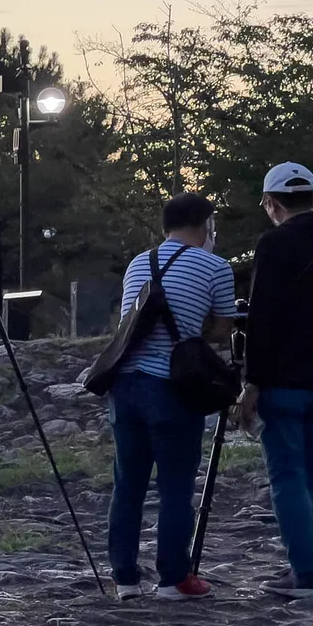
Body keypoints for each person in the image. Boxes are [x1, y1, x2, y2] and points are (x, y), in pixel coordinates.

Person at [109, 193, 237, 602]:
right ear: (205, 225)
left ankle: (125, 578)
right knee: (176, 486)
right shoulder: (216, 266)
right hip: (172, 386)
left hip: (125, 383)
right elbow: (220, 330)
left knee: (128, 484)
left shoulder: (137, 263)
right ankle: (173, 578)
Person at [238, 162, 313, 600]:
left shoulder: (274, 244)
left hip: (286, 377)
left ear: (272, 204)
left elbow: (263, 316)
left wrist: (253, 382)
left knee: (288, 475)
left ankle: (304, 572)